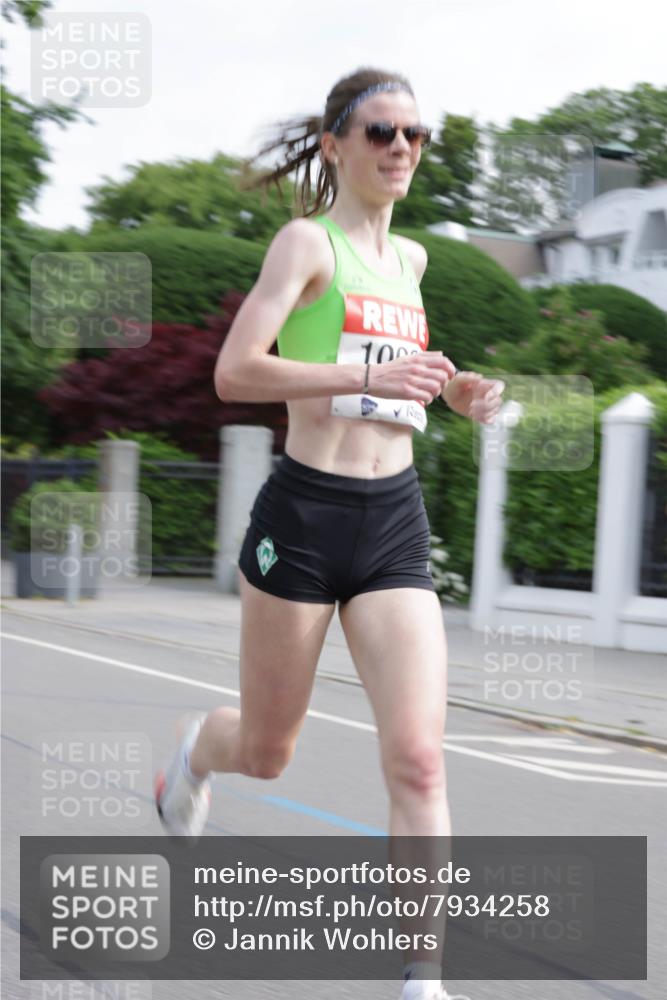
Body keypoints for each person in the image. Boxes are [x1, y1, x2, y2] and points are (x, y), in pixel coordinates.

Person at [155, 66, 503, 1000]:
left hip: (392, 522)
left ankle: (421, 980)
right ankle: (195, 757)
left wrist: (455, 390)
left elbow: (397, 370)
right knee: (268, 750)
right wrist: (358, 388)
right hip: (303, 517)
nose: (400, 149)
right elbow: (236, 371)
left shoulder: (415, 263)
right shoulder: (305, 242)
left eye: (416, 135)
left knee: (419, 755)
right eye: (381, 131)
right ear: (336, 143)